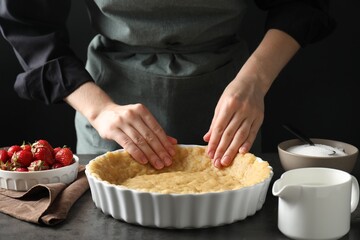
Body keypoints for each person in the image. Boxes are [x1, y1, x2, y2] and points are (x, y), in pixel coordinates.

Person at [0, 0, 335, 169]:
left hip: (229, 98)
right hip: (107, 108)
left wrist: (254, 81)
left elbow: (301, 3)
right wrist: (99, 110)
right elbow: (28, 21)